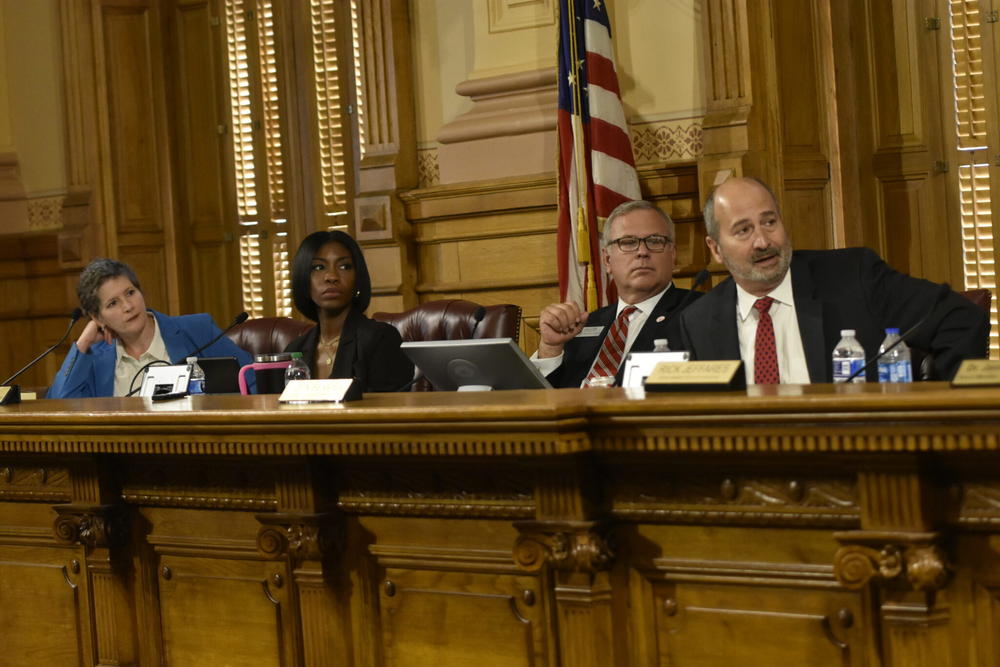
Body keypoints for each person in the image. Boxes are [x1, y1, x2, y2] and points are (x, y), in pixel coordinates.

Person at [679, 176, 989, 383]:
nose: (763, 241)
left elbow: (961, 318)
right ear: (716, 249)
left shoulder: (853, 277)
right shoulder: (699, 321)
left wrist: (940, 419)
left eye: (769, 222)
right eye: (743, 230)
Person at [532, 200, 701, 387]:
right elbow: (542, 397)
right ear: (607, 260)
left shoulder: (699, 313)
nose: (642, 252)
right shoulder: (584, 324)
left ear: (673, 254)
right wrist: (550, 348)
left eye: (655, 241)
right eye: (628, 242)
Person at [48, 258, 253, 398]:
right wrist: (83, 343)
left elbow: (251, 382)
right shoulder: (94, 359)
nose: (128, 306)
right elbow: (62, 408)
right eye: (113, 303)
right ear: (97, 317)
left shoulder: (197, 330)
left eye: (130, 293)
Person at [283, 230, 413, 392]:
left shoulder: (380, 339)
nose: (331, 276)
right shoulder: (295, 349)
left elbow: (388, 413)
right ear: (303, 279)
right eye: (318, 267)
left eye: (344, 266)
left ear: (358, 279)